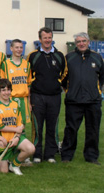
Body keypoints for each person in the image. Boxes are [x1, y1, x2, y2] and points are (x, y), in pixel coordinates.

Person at [61, 32, 104, 165]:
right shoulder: (69, 58)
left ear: (88, 42)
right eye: (78, 41)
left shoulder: (97, 58)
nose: (81, 43)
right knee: (71, 129)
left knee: (93, 129)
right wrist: (69, 91)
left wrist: (97, 91)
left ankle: (91, 156)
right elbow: (63, 78)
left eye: (83, 41)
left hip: (93, 101)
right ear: (75, 43)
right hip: (74, 101)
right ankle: (67, 155)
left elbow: (101, 77)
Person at [27, 27, 66, 163]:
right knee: (37, 127)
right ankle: (37, 154)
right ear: (40, 39)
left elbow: (65, 73)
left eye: (50, 37)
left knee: (52, 126)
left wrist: (58, 82)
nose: (48, 40)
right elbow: (28, 75)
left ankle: (50, 154)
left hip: (55, 96)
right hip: (38, 96)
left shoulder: (59, 55)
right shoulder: (33, 56)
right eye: (45, 38)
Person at [0, 79, 35, 175]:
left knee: (30, 148)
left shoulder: (15, 104)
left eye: (8, 90)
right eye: (3, 90)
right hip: (3, 139)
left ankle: (14, 165)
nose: (6, 92)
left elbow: (20, 124)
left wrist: (17, 137)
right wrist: (15, 129)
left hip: (14, 137)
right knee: (3, 171)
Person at [0, 39, 32, 126]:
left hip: (23, 100)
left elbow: (29, 84)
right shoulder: (5, 64)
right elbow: (2, 85)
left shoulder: (27, 64)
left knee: (22, 126)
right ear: (11, 48)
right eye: (16, 47)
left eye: (21, 47)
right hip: (10, 99)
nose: (19, 49)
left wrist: (29, 101)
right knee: (10, 125)